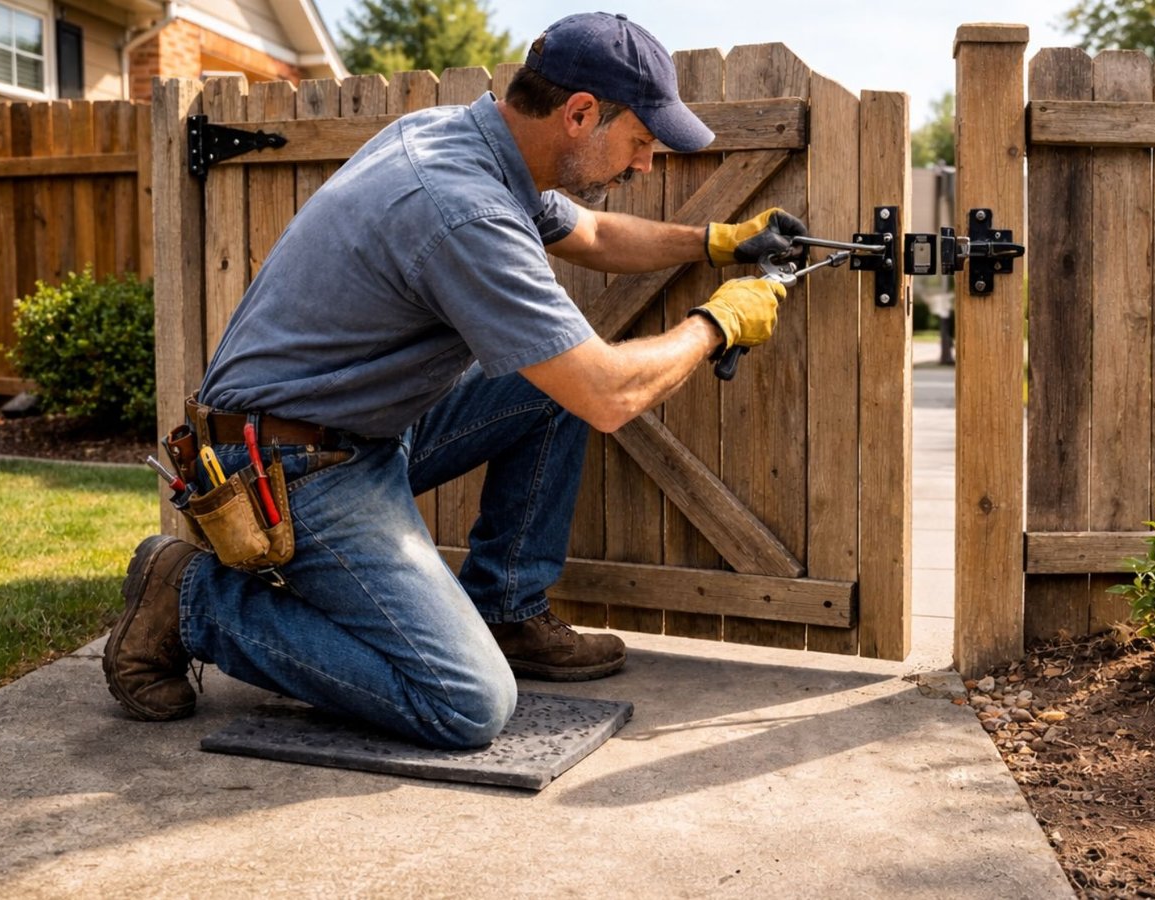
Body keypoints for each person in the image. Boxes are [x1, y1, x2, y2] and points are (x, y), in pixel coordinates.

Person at [102, 12, 806, 750]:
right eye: (639, 143)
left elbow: (591, 235)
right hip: (288, 468)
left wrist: (718, 243)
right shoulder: (459, 206)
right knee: (464, 703)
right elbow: (607, 395)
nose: (644, 167)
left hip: (354, 427)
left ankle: (506, 608)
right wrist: (716, 324)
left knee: (551, 376)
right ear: (580, 114)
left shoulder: (465, 139)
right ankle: (192, 600)